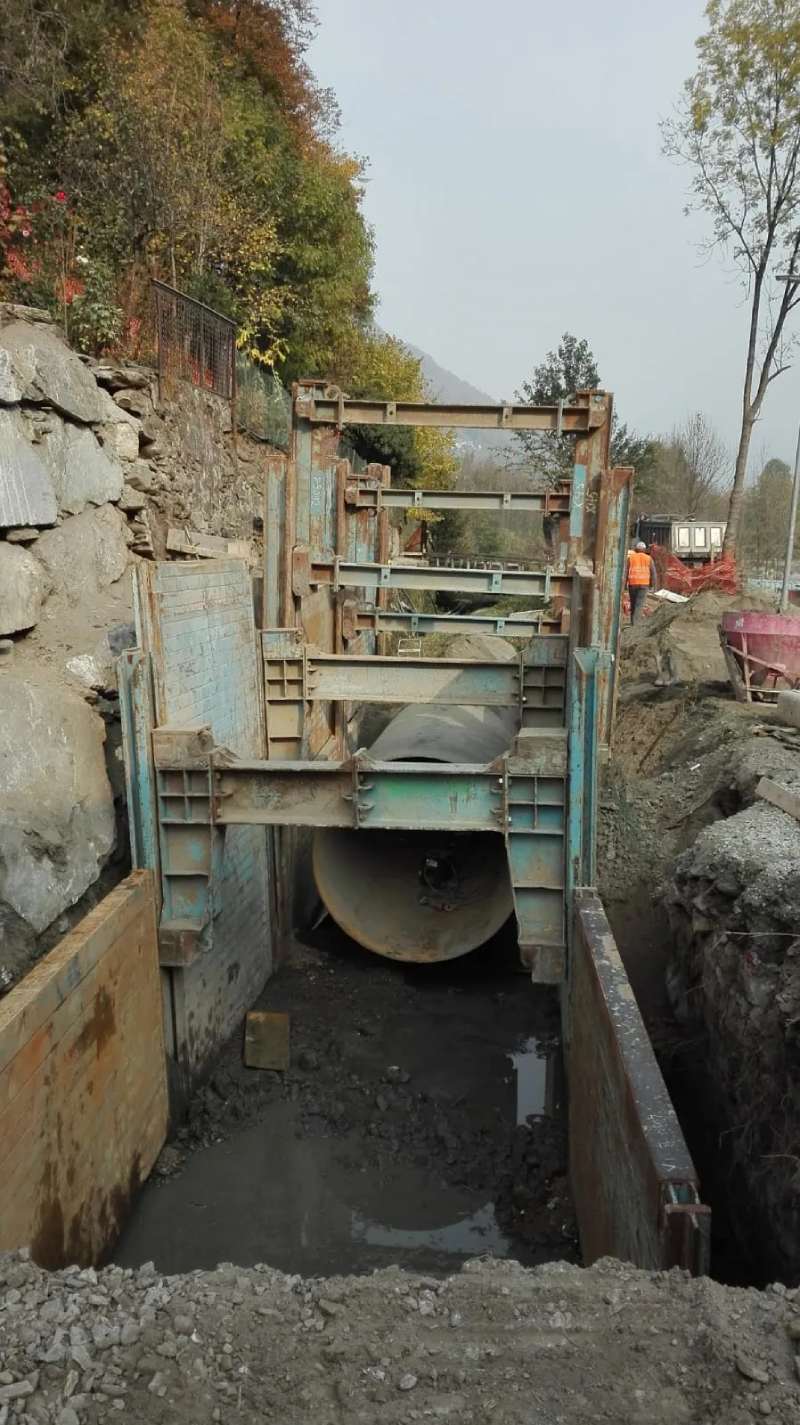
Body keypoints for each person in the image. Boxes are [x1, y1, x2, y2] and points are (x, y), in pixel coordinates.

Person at [626, 540, 657, 624]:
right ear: (644, 549)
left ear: (636, 549)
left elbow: (626, 571)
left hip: (632, 584)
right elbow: (653, 573)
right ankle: (635, 624)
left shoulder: (630, 558)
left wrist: (624, 584)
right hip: (644, 585)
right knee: (639, 605)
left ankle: (633, 622)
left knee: (633, 603)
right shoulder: (649, 559)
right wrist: (652, 585)